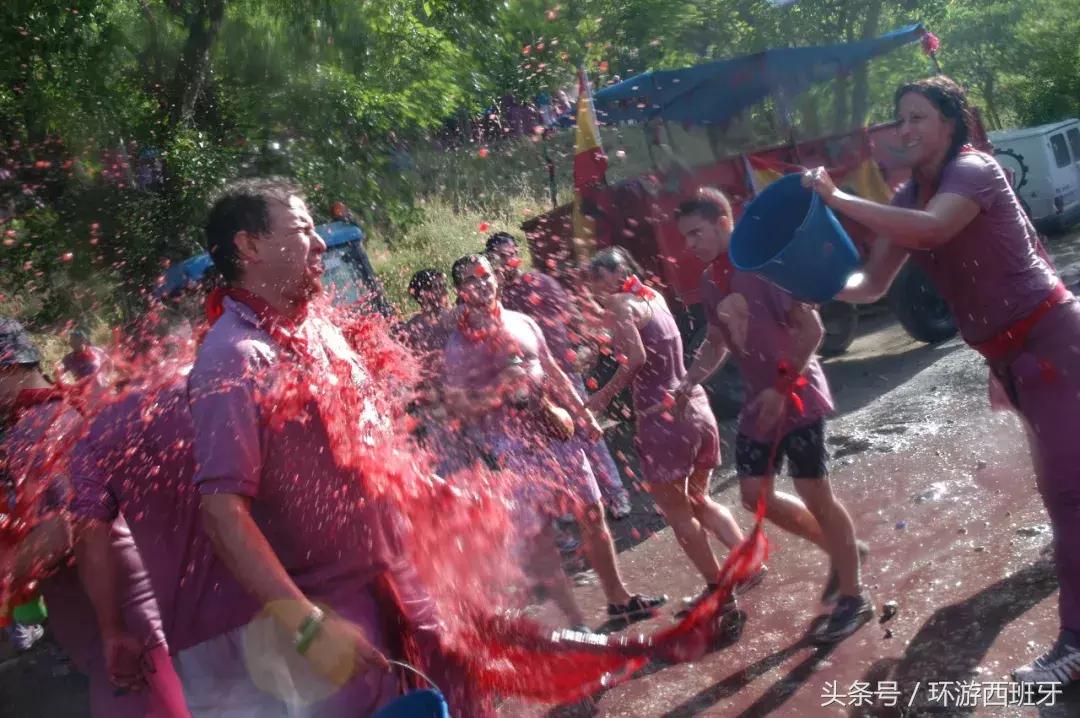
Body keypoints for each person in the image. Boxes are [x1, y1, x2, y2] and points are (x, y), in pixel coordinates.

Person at [802, 75, 1080, 679]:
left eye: (918, 117)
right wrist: (809, 286)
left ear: (949, 124)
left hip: (1053, 339)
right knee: (1060, 484)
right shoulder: (907, 195)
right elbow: (873, 284)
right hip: (1008, 357)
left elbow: (934, 231)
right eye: (899, 120)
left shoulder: (973, 170)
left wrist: (838, 199)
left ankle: (1076, 644)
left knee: (1067, 493)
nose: (905, 130)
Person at [189, 178, 484, 716]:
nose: (321, 243)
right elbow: (222, 513)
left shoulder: (320, 328)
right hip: (338, 622)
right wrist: (307, 627)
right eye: (303, 230)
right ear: (249, 247)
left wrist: (433, 493)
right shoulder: (234, 357)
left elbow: (369, 447)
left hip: (404, 583)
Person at [674, 190, 872, 643]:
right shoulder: (710, 282)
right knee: (751, 494)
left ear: (725, 224)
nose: (691, 244)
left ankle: (854, 596)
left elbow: (813, 329)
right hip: (757, 402)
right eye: (685, 238)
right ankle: (843, 551)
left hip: (797, 395)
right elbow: (716, 341)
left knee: (814, 492)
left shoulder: (764, 268)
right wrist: (689, 381)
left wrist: (781, 388)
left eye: (696, 233)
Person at [441, 254, 665, 630]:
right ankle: (575, 623)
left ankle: (620, 601)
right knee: (543, 540)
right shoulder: (459, 346)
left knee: (593, 515)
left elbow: (554, 370)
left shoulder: (522, 321)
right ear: (460, 291)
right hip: (515, 450)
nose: (481, 284)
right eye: (470, 280)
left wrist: (584, 414)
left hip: (558, 436)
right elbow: (458, 405)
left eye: (485, 275)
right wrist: (499, 391)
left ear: (496, 277)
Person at [0, 318, 189, 717]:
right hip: (117, 621)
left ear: (9, 366)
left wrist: (5, 576)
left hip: (121, 623)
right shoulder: (49, 415)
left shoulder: (38, 426)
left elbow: (63, 530)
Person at [68, 343, 263, 716]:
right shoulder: (197, 394)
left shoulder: (92, 441)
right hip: (268, 596)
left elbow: (91, 539)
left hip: (195, 633)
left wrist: (111, 628)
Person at [584, 248, 759, 611]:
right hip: (695, 406)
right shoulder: (653, 295)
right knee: (699, 499)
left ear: (607, 280)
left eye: (595, 284)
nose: (594, 293)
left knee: (678, 511)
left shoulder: (620, 303)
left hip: (660, 417)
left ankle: (718, 588)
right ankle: (751, 563)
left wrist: (602, 396)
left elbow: (636, 359)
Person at [485, 232, 634, 520]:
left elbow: (573, 318)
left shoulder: (541, 283)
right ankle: (576, 502)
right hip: (532, 387)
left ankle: (616, 493)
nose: (509, 262)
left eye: (512, 253)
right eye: (502, 258)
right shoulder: (495, 301)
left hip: (564, 374)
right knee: (553, 442)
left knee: (588, 435)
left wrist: (590, 346)